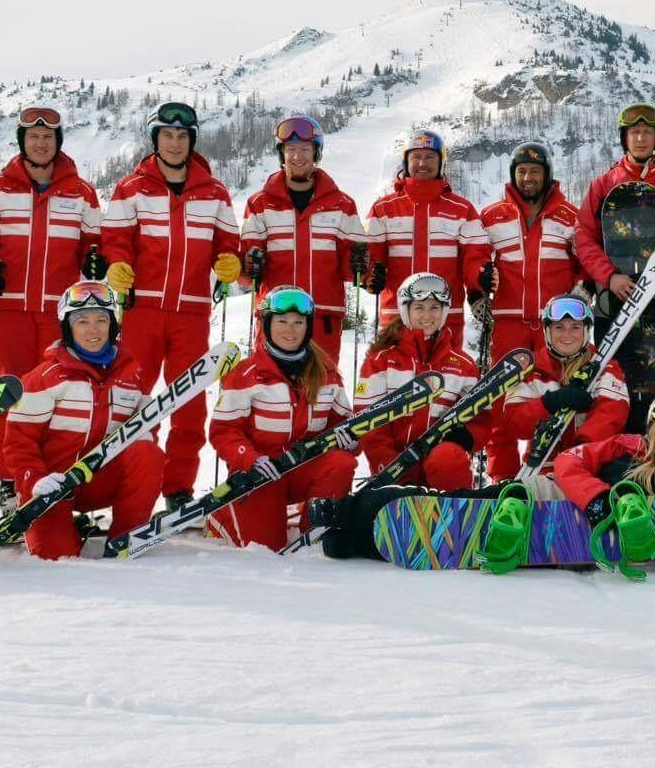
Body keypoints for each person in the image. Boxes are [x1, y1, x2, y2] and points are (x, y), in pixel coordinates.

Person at [0, 104, 106, 513]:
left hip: (61, 313)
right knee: (12, 393)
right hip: (11, 309)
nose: (40, 143)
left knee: (58, 394)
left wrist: (94, 260)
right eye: (33, 137)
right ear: (22, 142)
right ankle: (11, 481)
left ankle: (56, 475)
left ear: (57, 142)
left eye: (47, 137)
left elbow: (95, 241)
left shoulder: (81, 192)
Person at [99, 102, 241, 510]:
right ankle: (127, 478)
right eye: (167, 135)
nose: (175, 143)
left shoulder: (214, 192)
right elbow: (114, 238)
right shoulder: (131, 188)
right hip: (141, 309)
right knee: (130, 398)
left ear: (191, 141)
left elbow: (228, 242)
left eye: (182, 136)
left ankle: (178, 487)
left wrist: (228, 261)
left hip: (191, 312)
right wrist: (117, 263)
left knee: (189, 402)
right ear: (155, 139)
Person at [2, 281, 163, 560]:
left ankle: (126, 536)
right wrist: (34, 481)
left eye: (102, 320)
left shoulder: (131, 376)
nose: (93, 330)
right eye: (82, 321)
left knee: (147, 453)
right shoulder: (44, 379)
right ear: (68, 327)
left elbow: (140, 438)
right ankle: (58, 528)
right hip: (52, 485)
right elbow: (19, 442)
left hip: (100, 480)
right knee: (56, 556)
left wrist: (147, 432)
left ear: (112, 325)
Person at [574, 103, 655, 427]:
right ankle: (617, 441)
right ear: (625, 137)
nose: (641, 138)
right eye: (634, 132)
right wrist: (610, 277)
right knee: (617, 377)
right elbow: (583, 237)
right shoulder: (603, 185)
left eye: (647, 132)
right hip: (615, 298)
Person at [205, 286, 357, 551]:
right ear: (267, 324)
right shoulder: (246, 374)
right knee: (265, 546)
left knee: (340, 462)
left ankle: (315, 532)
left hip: (303, 468)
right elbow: (224, 432)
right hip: (261, 473)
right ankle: (223, 514)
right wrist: (250, 460)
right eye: (282, 321)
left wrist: (350, 440)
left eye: (299, 322)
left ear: (308, 327)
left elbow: (342, 423)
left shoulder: (327, 373)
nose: (291, 330)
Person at [238, 115, 365, 361]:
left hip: (323, 317)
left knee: (322, 382)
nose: (297, 156)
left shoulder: (342, 205)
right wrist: (250, 266)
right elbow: (245, 269)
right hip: (276, 316)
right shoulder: (259, 204)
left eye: (305, 149)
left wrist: (360, 264)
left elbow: (355, 271)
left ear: (316, 152)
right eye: (291, 149)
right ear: (281, 153)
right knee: (270, 383)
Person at [362, 128, 490, 352]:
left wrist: (478, 286)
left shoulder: (462, 210)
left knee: (446, 374)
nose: (423, 163)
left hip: (445, 317)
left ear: (441, 163)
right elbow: (369, 254)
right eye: (416, 157)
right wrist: (370, 276)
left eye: (430, 157)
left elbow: (475, 257)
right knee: (393, 372)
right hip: (396, 317)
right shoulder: (383, 209)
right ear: (406, 162)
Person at [353, 273, 483, 490]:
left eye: (435, 308)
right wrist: (389, 465)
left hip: (441, 466)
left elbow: (481, 418)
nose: (427, 315)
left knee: (447, 457)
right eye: (419, 308)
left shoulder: (463, 365)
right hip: (395, 467)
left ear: (444, 311)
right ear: (406, 310)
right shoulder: (381, 360)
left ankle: (454, 508)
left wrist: (467, 437)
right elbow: (369, 422)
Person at [492, 294, 630, 493]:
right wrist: (549, 402)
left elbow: (610, 416)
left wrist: (577, 455)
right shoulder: (532, 370)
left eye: (575, 327)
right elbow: (515, 423)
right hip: (541, 471)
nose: (567, 334)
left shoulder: (605, 368)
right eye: (559, 327)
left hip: (589, 471)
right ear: (547, 331)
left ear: (586, 331)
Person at [478, 141, 584, 367]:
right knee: (505, 386)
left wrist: (582, 290)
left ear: (547, 174)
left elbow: (585, 262)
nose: (528, 178)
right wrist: (476, 292)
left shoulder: (570, 217)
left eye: (535, 171)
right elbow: (475, 259)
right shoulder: (491, 216)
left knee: (555, 383)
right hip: (508, 323)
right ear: (513, 174)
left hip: (556, 321)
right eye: (521, 171)